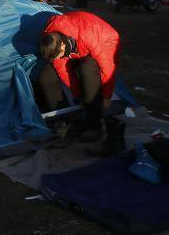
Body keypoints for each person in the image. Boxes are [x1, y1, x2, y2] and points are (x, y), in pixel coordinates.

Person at [36, 11, 122, 147]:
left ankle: (94, 125)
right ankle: (64, 122)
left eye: (59, 56)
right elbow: (62, 69)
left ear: (62, 46)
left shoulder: (90, 36)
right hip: (78, 45)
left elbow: (108, 68)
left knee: (86, 68)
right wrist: (77, 94)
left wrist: (107, 97)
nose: (57, 59)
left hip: (105, 40)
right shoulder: (51, 38)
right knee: (46, 75)